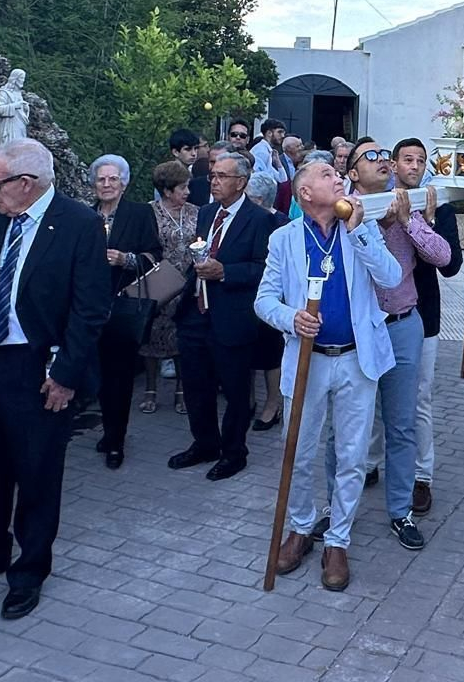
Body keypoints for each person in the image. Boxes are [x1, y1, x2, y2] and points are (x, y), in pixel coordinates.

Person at [0, 138, 109, 620]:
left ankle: (29, 570)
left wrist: (64, 374)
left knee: (36, 472)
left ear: (26, 184)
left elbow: (90, 308)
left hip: (39, 369)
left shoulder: (79, 224)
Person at [257, 161, 401, 592]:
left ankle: (338, 539)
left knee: (352, 454)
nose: (337, 178)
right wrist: (290, 317)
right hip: (308, 359)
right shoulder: (284, 238)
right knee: (297, 449)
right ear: (304, 192)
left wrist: (359, 232)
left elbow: (391, 278)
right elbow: (264, 299)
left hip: (357, 360)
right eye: (325, 174)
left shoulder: (360, 226)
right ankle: (301, 528)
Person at [346, 138, 447, 548]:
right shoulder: (343, 208)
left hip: (405, 323)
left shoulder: (406, 203)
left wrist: (410, 221)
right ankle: (339, 510)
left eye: (385, 153)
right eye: (370, 155)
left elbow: (441, 256)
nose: (382, 159)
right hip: (357, 330)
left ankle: (401, 511)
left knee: (402, 424)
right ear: (352, 172)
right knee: (351, 426)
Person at [168, 151, 276, 481]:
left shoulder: (260, 220)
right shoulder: (207, 213)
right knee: (196, 386)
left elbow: (265, 269)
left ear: (241, 182)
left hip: (232, 317)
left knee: (235, 390)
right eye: (212, 175)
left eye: (221, 176)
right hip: (196, 314)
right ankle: (204, 443)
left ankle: (233, 452)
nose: (213, 181)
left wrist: (226, 272)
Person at [394, 138, 462, 515]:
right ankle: (373, 462)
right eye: (408, 159)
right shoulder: (379, 204)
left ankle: (422, 476)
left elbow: (450, 266)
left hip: (424, 313)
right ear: (394, 164)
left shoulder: (439, 206)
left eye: (421, 160)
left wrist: (428, 224)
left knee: (419, 396)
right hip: (381, 312)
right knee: (374, 393)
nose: (415, 166)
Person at [89, 155, 161, 470]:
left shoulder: (139, 213)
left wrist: (127, 259)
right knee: (97, 376)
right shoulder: (84, 215)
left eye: (112, 179)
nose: (106, 184)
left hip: (124, 305)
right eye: (101, 179)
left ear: (124, 182)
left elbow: (156, 256)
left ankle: (116, 440)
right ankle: (107, 429)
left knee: (119, 377)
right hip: (89, 308)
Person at [142, 159, 193, 414]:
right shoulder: (149, 212)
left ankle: (181, 391)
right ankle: (150, 389)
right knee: (152, 338)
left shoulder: (195, 212)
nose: (187, 192)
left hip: (187, 286)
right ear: (167, 190)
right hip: (159, 285)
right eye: (182, 187)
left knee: (182, 340)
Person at [242, 171, 288, 430]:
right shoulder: (246, 220)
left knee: (271, 353)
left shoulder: (281, 224)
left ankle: (273, 404)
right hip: (244, 296)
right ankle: (247, 401)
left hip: (273, 299)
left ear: (259, 199)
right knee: (245, 350)